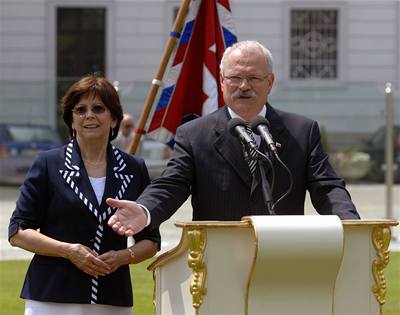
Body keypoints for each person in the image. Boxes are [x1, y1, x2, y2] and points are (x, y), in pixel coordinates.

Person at [106, 40, 360, 237]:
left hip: (284, 253)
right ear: (222, 82)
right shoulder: (195, 134)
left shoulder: (301, 131)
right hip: (217, 257)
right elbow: (172, 185)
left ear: (270, 83)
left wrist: (352, 225)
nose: (244, 86)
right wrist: (145, 210)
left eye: (253, 78)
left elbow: (327, 188)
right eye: (235, 78)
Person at [8, 74, 160, 315]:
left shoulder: (134, 168)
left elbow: (151, 242)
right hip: (51, 297)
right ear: (71, 120)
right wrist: (69, 251)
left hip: (112, 297)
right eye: (80, 110)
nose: (89, 115)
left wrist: (124, 256)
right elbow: (18, 232)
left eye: (98, 108)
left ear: (114, 120)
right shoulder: (47, 164)